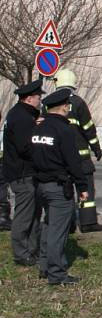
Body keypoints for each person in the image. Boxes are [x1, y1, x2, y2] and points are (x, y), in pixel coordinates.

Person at [32, 88, 89, 285]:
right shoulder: (64, 130)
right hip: (58, 187)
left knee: (48, 226)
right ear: (64, 107)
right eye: (67, 105)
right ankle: (57, 274)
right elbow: (73, 162)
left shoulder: (38, 127)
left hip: (40, 185)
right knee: (58, 231)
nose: (68, 108)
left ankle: (45, 266)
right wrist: (82, 186)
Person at [52, 69, 102, 233]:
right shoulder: (79, 103)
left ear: (57, 82)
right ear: (74, 83)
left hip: (59, 157)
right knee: (86, 188)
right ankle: (88, 223)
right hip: (81, 157)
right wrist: (96, 147)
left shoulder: (49, 103)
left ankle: (67, 225)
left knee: (64, 191)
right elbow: (88, 128)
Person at [3, 80, 45, 265]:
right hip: (22, 174)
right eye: (38, 97)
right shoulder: (21, 117)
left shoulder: (24, 114)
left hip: (27, 173)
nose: (40, 101)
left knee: (34, 214)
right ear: (29, 99)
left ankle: (32, 250)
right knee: (25, 215)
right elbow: (25, 147)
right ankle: (21, 253)